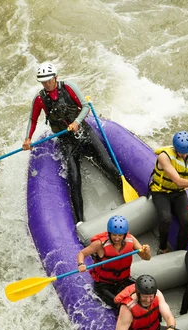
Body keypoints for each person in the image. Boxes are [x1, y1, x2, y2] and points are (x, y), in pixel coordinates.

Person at [22, 62, 121, 223]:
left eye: (49, 80)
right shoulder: (40, 98)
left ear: (55, 77)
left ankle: (126, 190)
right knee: (74, 178)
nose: (47, 84)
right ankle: (79, 221)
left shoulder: (69, 87)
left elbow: (85, 106)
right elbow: (32, 120)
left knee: (107, 164)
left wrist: (77, 122)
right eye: (43, 82)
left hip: (83, 132)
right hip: (66, 140)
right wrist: (28, 139)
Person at [76, 215, 151, 308]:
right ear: (109, 233)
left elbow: (147, 258)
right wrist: (81, 264)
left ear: (124, 234)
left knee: (146, 291)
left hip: (123, 281)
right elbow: (81, 254)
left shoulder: (131, 239)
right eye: (114, 235)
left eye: (120, 235)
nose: (117, 238)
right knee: (122, 305)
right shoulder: (100, 244)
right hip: (104, 285)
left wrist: (147, 252)